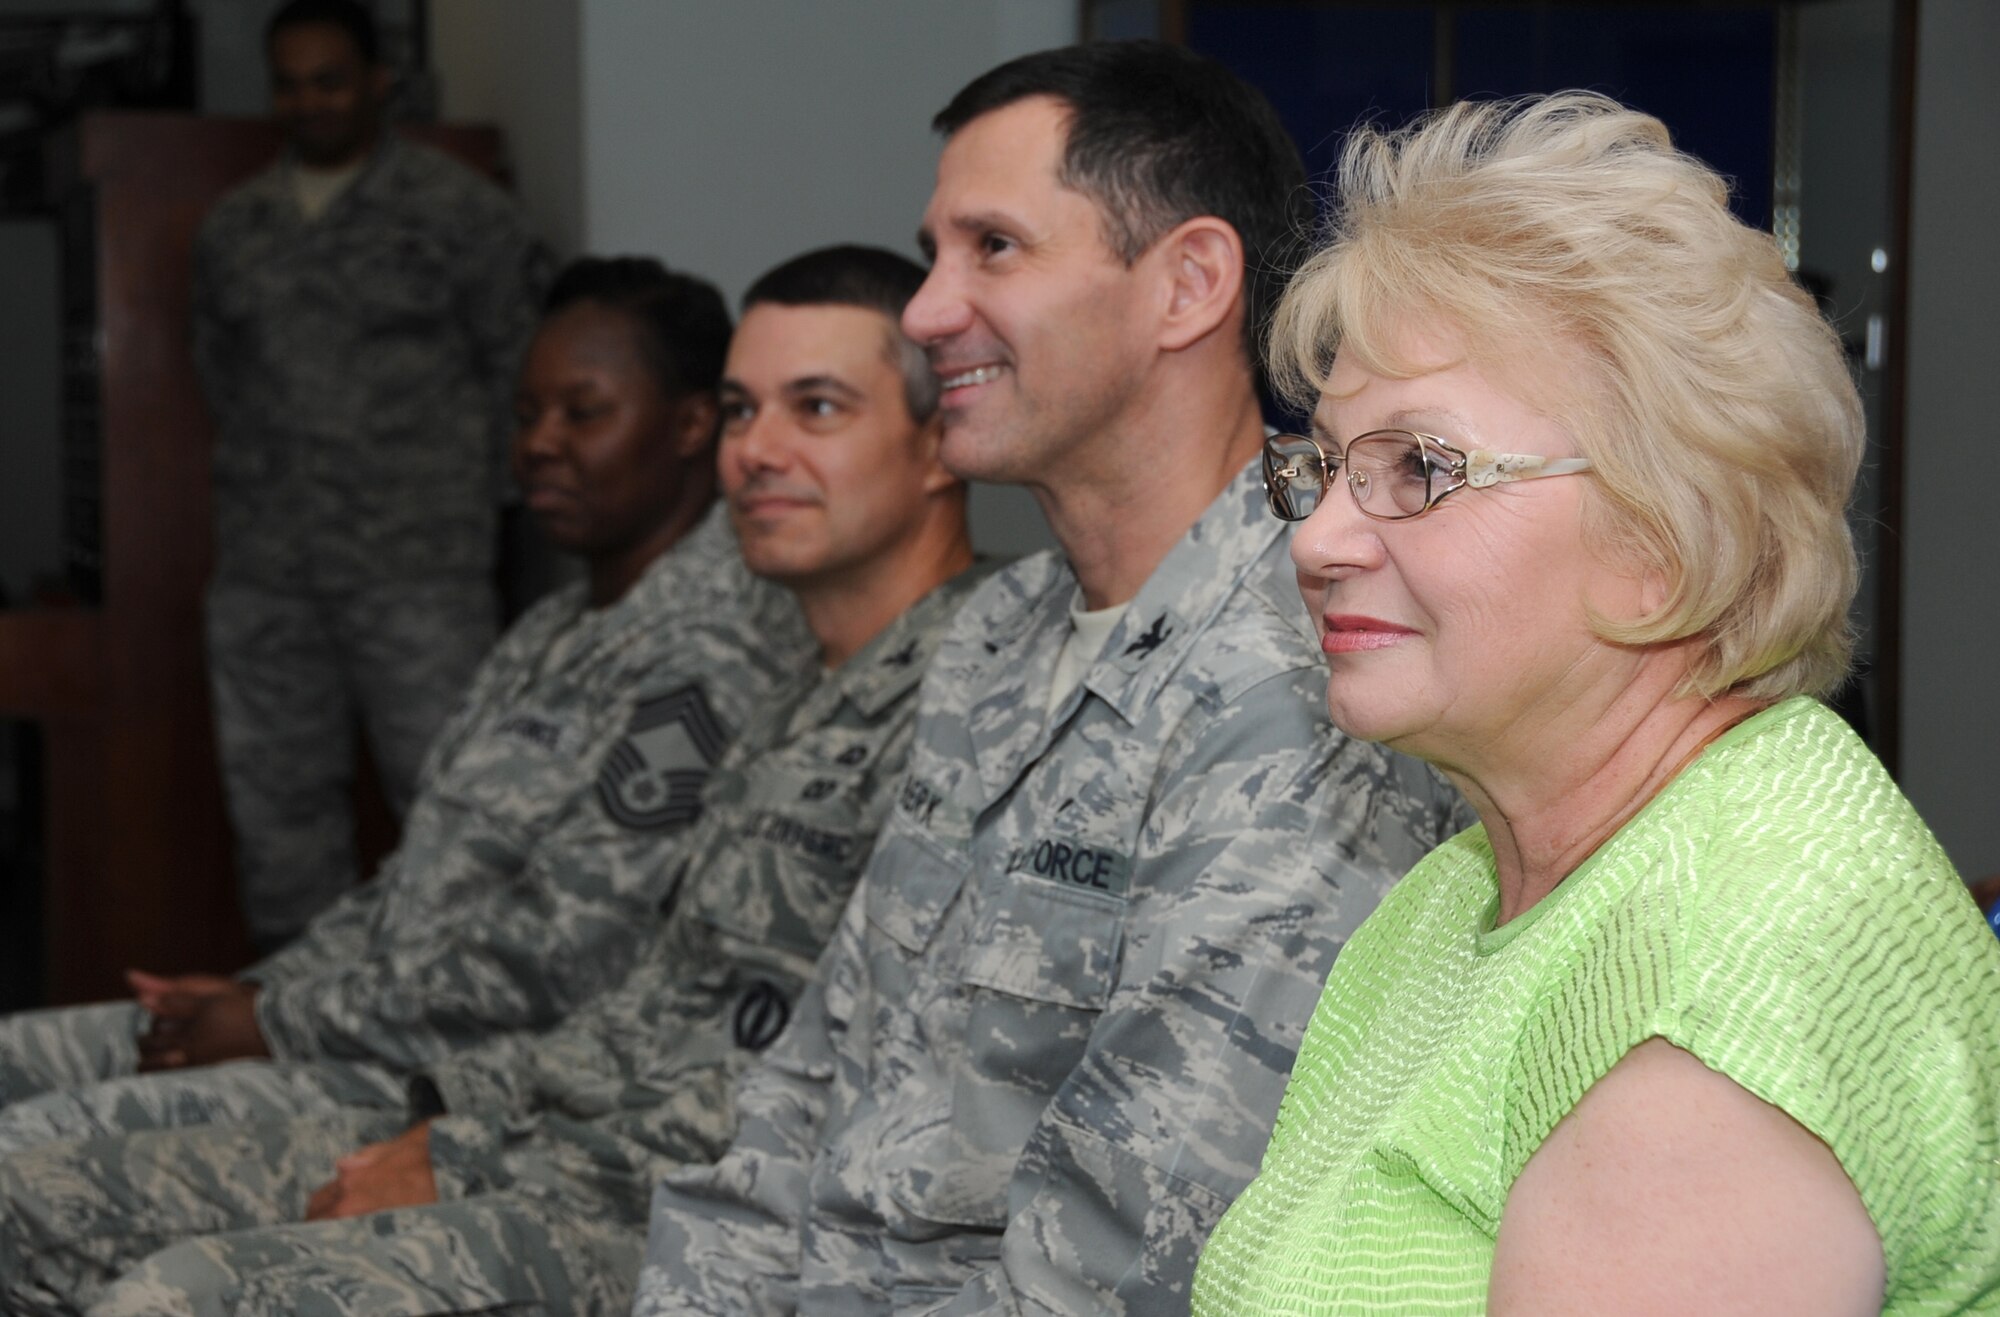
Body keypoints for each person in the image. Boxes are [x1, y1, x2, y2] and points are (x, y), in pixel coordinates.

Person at [0, 245, 991, 1317]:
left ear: (940, 441)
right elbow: (640, 1010)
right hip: (543, 1123)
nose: (758, 451)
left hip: (721, 1217)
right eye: (746, 410)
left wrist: (446, 1142)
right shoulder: (794, 682)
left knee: (175, 1295)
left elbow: (830, 1085)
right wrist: (439, 1113)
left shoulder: (968, 700)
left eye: (818, 408)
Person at [635, 42, 1467, 1315]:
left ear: (1186, 284)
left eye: (994, 250)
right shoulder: (996, 634)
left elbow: (1128, 1263)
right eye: (932, 254)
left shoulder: (1307, 666)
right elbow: (806, 1090)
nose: (922, 312)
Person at [1192, 92, 2000, 1315]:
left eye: (1416, 466)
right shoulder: (1456, 894)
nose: (1318, 541)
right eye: (1320, 469)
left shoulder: (1734, 963)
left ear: (1666, 535)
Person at [0, 258, 809, 1157]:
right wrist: (259, 996)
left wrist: (280, 1023)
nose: (538, 443)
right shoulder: (557, 622)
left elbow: (558, 957)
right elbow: (415, 880)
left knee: (29, 1152)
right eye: (525, 414)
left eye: (583, 413)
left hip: (457, 1087)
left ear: (693, 424)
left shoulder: (710, 653)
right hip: (354, 1023)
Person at [194, 0, 553, 947]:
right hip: (269, 569)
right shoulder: (234, 227)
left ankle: (449, 1012)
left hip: (419, 565)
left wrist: (492, 516)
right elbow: (219, 373)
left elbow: (521, 365)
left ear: (377, 81)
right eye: (290, 82)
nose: (308, 101)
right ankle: (292, 1016)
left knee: (451, 800)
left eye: (329, 79)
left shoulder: (458, 210)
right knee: (276, 810)